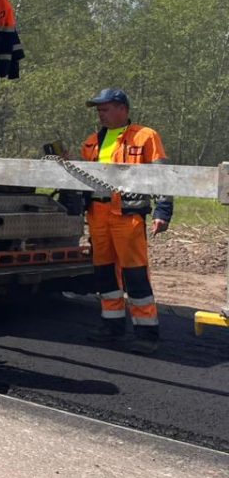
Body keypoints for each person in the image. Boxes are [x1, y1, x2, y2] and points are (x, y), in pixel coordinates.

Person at [80, 88, 172, 355]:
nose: (101, 114)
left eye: (105, 109)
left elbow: (162, 177)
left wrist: (162, 211)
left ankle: (146, 333)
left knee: (135, 274)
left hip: (128, 217)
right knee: (104, 273)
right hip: (98, 216)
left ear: (123, 109)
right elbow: (81, 179)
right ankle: (112, 326)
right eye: (98, 110)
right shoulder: (91, 142)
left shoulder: (146, 137)